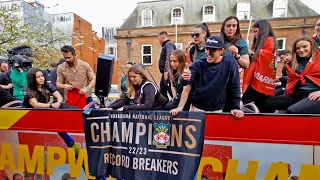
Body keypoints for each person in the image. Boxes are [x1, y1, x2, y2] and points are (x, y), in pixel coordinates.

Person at [170, 36, 244, 119]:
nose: (208, 52)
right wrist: (184, 78)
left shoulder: (230, 63)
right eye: (207, 49)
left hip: (218, 110)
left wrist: (236, 107)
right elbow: (186, 85)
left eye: (213, 50)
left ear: (221, 51)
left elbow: (235, 87)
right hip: (197, 109)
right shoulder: (198, 64)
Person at [264, 36, 320, 114]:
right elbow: (292, 81)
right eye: (298, 48)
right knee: (266, 103)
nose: (301, 50)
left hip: (315, 96)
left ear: (312, 47)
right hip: (298, 95)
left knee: (293, 111)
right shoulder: (293, 64)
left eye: (305, 47)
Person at [242, 20, 276, 113]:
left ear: (262, 30)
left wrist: (250, 52)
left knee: (245, 100)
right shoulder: (267, 41)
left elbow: (266, 55)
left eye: (256, 32)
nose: (254, 35)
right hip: (260, 78)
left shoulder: (269, 40)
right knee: (260, 103)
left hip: (261, 78)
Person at [158, 31, 176, 99]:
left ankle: (177, 104)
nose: (159, 42)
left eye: (159, 40)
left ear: (161, 38)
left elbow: (169, 56)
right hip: (164, 73)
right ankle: (163, 105)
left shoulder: (168, 44)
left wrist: (166, 70)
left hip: (168, 72)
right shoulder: (166, 45)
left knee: (170, 89)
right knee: (162, 90)